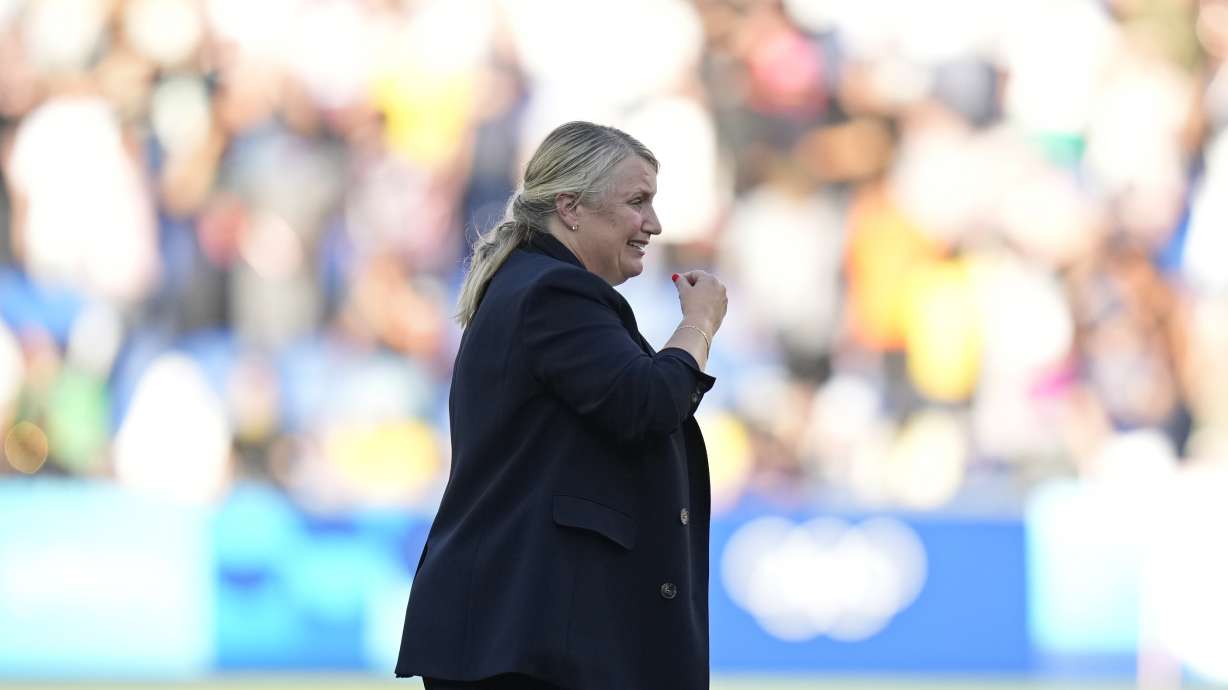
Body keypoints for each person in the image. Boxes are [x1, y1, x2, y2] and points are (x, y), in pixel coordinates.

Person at [395, 121, 727, 690]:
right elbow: (646, 403)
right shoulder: (553, 291)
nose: (654, 224)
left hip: (523, 630)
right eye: (637, 201)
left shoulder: (535, 286)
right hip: (530, 636)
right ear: (571, 207)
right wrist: (697, 326)